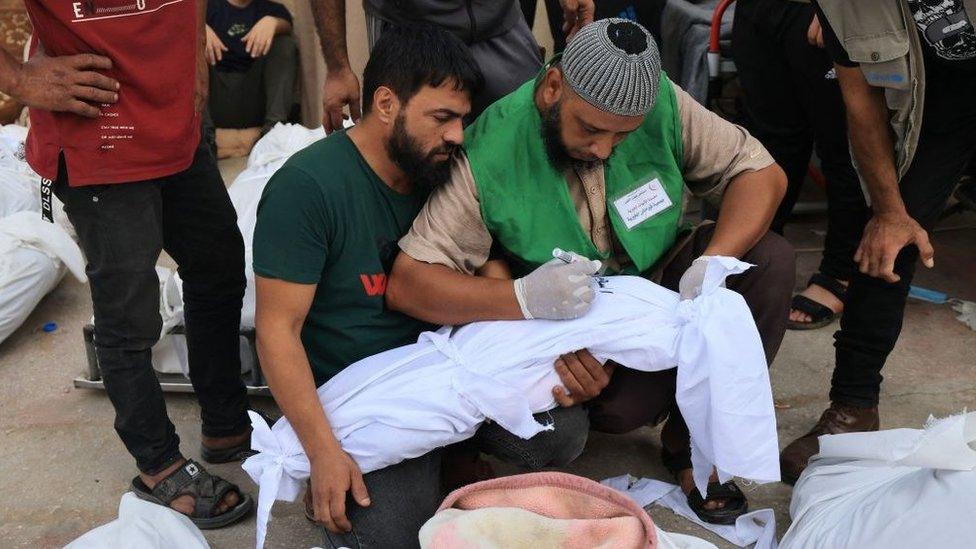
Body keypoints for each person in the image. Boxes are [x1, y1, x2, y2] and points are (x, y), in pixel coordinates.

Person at [387, 19, 793, 525]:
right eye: (591, 129)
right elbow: (410, 283)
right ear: (553, 87)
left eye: (623, 136)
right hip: (569, 327)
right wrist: (528, 303)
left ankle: (694, 449)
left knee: (768, 262)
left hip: (657, 283)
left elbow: (761, 173)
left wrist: (710, 268)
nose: (604, 150)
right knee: (620, 410)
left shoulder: (659, 100)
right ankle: (651, 393)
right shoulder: (489, 149)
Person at [253, 24, 587, 548]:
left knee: (561, 433)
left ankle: (448, 457)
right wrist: (322, 452)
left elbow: (489, 273)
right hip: (363, 400)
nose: (457, 135)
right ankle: (421, 469)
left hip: (447, 374)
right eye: (442, 118)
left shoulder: (444, 173)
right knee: (386, 535)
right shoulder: (307, 187)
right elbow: (276, 330)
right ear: (386, 103)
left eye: (463, 119)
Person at [3, 0, 253, 528]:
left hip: (175, 126)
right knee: (129, 314)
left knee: (219, 266)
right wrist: (19, 78)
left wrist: (193, 62)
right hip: (99, 134)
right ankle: (159, 467)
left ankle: (225, 420)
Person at [780, 0, 976, 483]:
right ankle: (853, 407)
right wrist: (890, 212)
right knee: (887, 241)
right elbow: (860, 102)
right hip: (940, 107)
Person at [732, 0, 869, 331]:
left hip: (823, 12)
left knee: (841, 142)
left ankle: (841, 271)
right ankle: (759, 256)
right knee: (767, 141)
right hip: (760, 10)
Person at [310, 0, 596, 132]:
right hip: (413, 28)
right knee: (420, 153)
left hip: (499, 22)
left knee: (532, 133)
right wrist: (338, 68)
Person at [205, 0, 298, 133]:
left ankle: (274, 131)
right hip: (213, 97)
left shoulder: (271, 9)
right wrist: (198, 30)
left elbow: (287, 26)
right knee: (190, 44)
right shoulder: (208, 8)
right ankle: (204, 137)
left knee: (284, 44)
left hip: (253, 97)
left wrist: (273, 22)